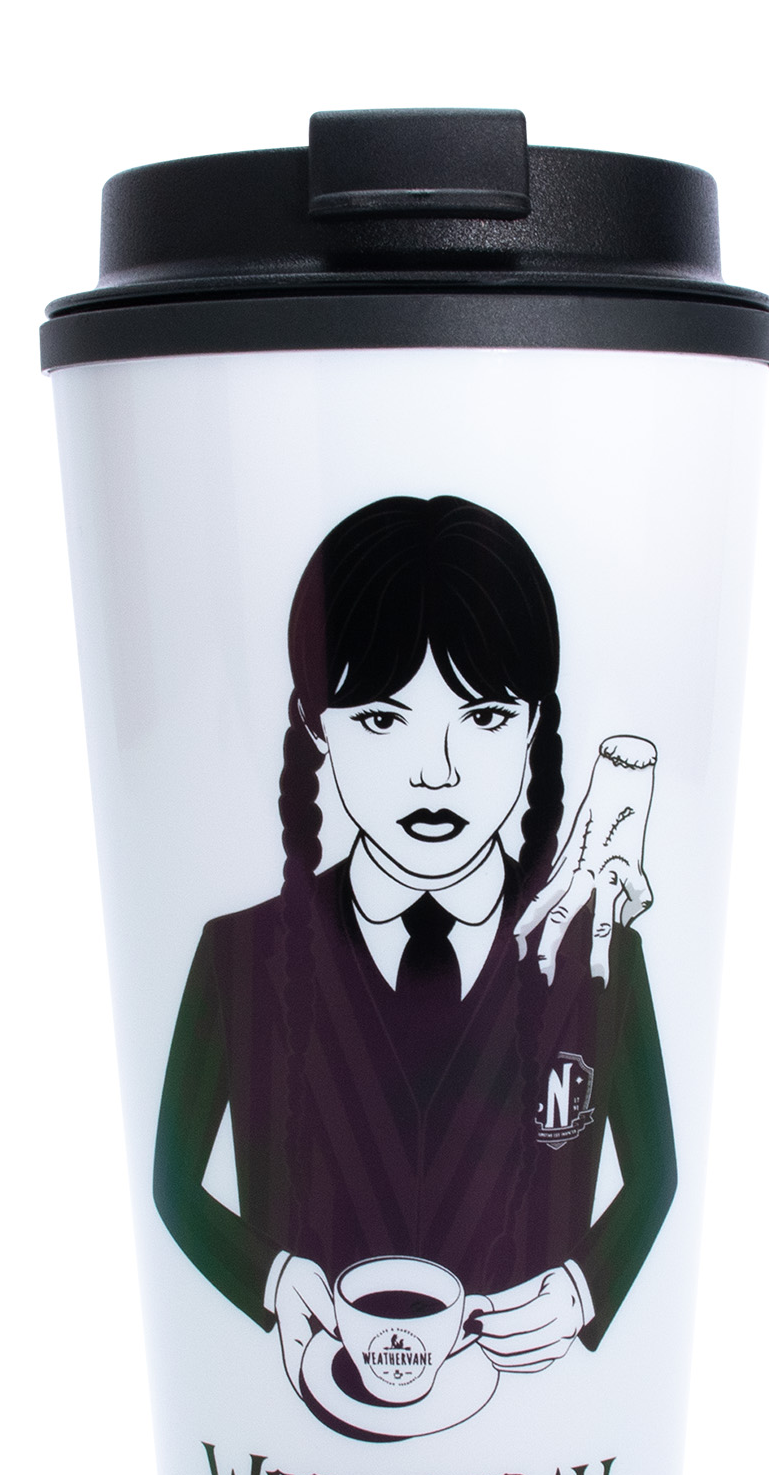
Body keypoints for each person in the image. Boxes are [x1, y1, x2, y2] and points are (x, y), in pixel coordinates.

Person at [152, 495, 677, 1409]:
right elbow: (172, 1183)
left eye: (483, 717)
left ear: (534, 725)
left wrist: (581, 1290)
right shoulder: (238, 959)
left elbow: (656, 1174)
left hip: (551, 1446)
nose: (436, 770)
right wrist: (272, 1278)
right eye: (381, 720)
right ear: (317, 725)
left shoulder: (600, 957)